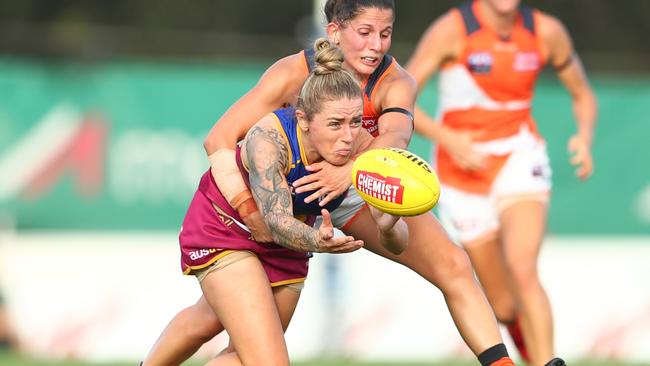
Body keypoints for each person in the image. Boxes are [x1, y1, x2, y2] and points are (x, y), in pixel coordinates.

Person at [143, 1, 516, 365]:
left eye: (385, 34)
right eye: (365, 32)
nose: (377, 45)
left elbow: (396, 140)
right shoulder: (291, 75)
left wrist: (350, 172)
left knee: (452, 263)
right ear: (334, 31)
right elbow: (219, 140)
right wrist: (248, 208)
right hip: (264, 206)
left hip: (327, 199)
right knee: (217, 325)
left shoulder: (395, 82)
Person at [173, 39, 409, 366]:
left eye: (356, 122)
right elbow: (277, 222)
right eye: (335, 124)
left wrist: (389, 226)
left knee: (242, 358)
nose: (348, 135)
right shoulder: (268, 140)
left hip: (289, 247)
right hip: (230, 229)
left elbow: (399, 243)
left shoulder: (361, 151)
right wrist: (318, 240)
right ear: (303, 119)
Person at [405, 0, 597, 365]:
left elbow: (582, 93)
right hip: (461, 174)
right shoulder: (453, 29)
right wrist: (451, 140)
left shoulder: (545, 31)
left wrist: (584, 137)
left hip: (519, 157)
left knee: (523, 269)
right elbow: (402, 99)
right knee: (504, 306)